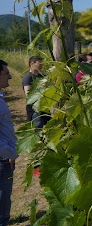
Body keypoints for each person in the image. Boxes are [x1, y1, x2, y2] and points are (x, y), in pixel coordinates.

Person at [0, 60, 17, 226]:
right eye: (6, 73)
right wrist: (10, 153)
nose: (10, 76)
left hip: (4, 159)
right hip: (2, 161)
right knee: (2, 211)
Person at [22, 56, 48, 128]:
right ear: (32, 63)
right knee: (37, 127)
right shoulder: (28, 77)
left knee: (46, 126)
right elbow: (28, 95)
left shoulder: (41, 76)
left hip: (44, 107)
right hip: (34, 109)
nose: (41, 66)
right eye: (40, 64)